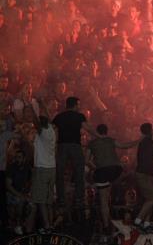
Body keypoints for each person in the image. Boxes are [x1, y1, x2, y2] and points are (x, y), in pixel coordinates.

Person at [86, 124, 140, 231]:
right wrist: (138, 141)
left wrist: (95, 167)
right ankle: (111, 220)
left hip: (102, 171)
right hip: (115, 170)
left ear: (96, 132)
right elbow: (125, 146)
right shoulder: (110, 140)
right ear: (107, 131)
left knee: (103, 200)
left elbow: (86, 160)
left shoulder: (91, 143)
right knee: (107, 195)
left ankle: (106, 226)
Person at [52, 96, 97, 212]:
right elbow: (88, 128)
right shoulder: (79, 116)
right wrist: (99, 136)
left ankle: (61, 199)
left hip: (62, 146)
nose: (79, 107)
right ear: (75, 105)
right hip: (75, 146)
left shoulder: (59, 116)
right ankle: (79, 200)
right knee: (79, 172)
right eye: (79, 104)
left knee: (59, 173)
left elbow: (52, 130)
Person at [27, 101, 57, 233]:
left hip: (42, 169)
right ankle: (51, 225)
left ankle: (47, 226)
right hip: (51, 168)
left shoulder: (43, 133)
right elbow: (49, 117)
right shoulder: (51, 130)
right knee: (49, 200)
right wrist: (43, 105)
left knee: (40, 200)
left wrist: (31, 106)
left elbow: (35, 121)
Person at [134, 118, 153, 232]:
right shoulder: (147, 141)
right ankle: (138, 221)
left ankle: (146, 224)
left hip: (145, 174)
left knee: (149, 199)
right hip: (143, 174)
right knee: (152, 199)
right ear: (150, 130)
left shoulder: (147, 141)